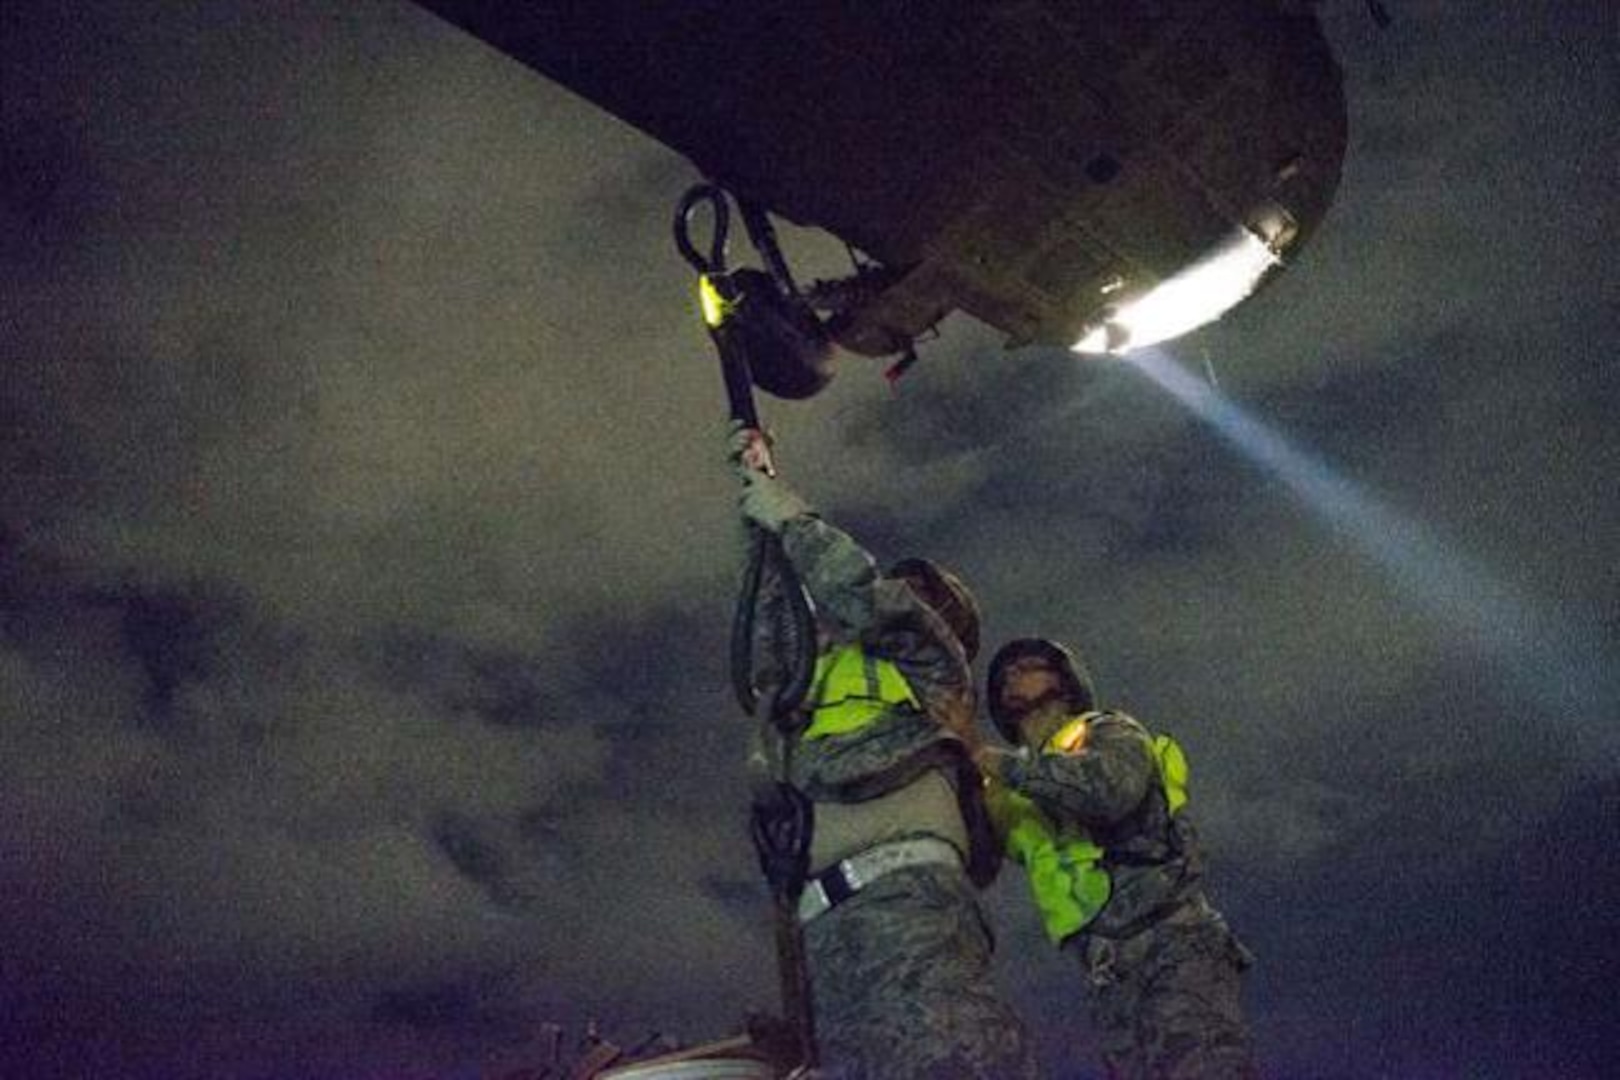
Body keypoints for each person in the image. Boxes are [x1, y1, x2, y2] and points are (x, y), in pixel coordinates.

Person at [730, 426, 1039, 1080]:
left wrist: (795, 518)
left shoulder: (934, 667)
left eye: (929, 598)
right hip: (824, 926)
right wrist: (758, 505)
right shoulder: (811, 673)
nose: (913, 600)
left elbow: (877, 606)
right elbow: (770, 626)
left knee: (948, 1060)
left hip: (909, 902)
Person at [979, 637, 1255, 1080]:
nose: (1013, 677)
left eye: (1027, 666)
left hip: (1171, 942)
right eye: (1004, 676)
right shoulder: (1007, 790)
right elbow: (980, 854)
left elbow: (1108, 791)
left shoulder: (1108, 731)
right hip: (1107, 973)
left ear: (1065, 683)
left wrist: (994, 761)